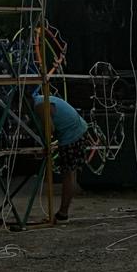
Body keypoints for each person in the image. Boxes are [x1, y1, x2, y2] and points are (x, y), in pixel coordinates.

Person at [31, 87, 91, 223]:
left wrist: (46, 144)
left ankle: (63, 213)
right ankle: (63, 212)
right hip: (77, 131)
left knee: (68, 175)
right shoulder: (40, 100)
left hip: (72, 135)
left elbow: (50, 128)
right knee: (70, 174)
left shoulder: (39, 106)